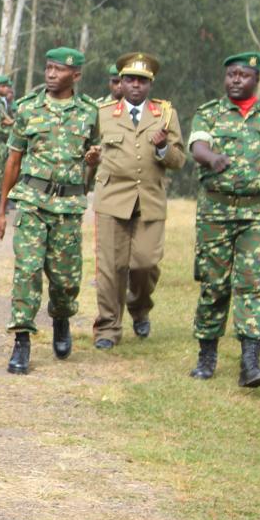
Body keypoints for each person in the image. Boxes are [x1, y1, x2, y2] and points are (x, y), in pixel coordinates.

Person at [0, 47, 100, 374]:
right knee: (27, 270)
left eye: (59, 69)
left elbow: (90, 170)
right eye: (48, 67)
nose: (51, 74)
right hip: (32, 201)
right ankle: (21, 341)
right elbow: (13, 161)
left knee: (65, 280)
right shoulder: (27, 109)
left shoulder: (90, 113)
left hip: (68, 207)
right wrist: (1, 210)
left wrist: (93, 164)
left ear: (76, 75)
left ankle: (62, 317)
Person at [187, 52, 260, 386]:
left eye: (242, 75)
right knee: (214, 284)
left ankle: (250, 363)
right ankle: (207, 354)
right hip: (217, 211)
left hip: (258, 212)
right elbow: (197, 146)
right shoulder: (209, 113)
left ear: (256, 79)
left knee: (253, 283)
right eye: (230, 75)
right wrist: (212, 159)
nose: (235, 80)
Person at [92, 52, 185, 349]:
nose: (135, 86)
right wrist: (90, 161)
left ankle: (139, 307)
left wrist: (162, 149)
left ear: (150, 84)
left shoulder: (166, 114)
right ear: (120, 82)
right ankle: (108, 328)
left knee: (145, 263)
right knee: (110, 268)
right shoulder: (102, 113)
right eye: (129, 79)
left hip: (149, 199)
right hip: (111, 199)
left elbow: (179, 159)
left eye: (142, 81)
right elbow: (88, 151)